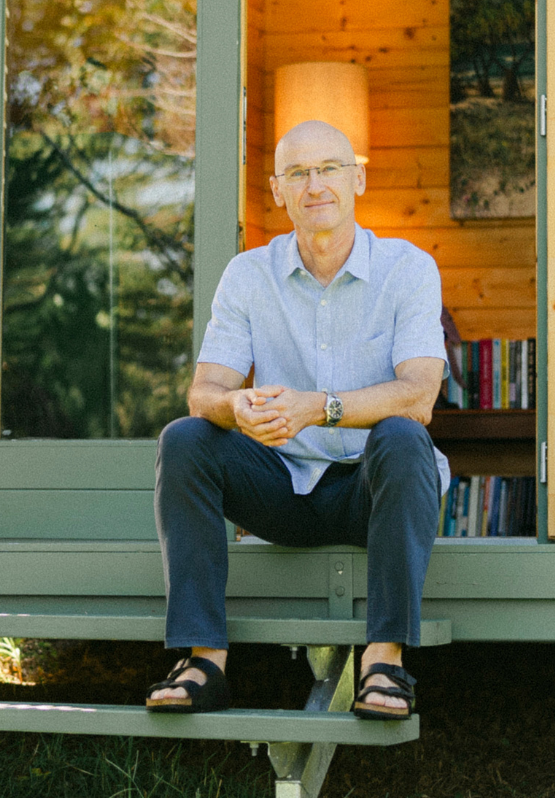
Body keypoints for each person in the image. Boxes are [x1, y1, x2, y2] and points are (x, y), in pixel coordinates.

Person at [146, 120, 450, 720]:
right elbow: (204, 392)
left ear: (357, 178)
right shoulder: (248, 274)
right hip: (281, 489)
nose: (316, 185)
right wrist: (235, 409)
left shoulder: (408, 268)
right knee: (185, 439)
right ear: (277, 189)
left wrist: (319, 406)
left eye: (330, 168)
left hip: (373, 493)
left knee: (402, 434)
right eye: (298, 173)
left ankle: (383, 660)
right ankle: (204, 660)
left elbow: (420, 396)